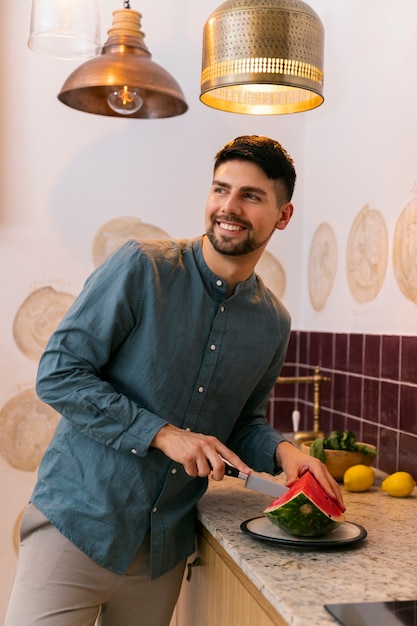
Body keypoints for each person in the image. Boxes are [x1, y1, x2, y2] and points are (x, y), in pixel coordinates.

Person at [5, 135, 344, 626]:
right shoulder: (141, 267)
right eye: (220, 189)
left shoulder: (274, 322)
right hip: (77, 525)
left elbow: (242, 422)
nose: (229, 206)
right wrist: (164, 435)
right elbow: (59, 373)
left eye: (251, 196)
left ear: (283, 215)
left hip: (160, 551)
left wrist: (284, 452)